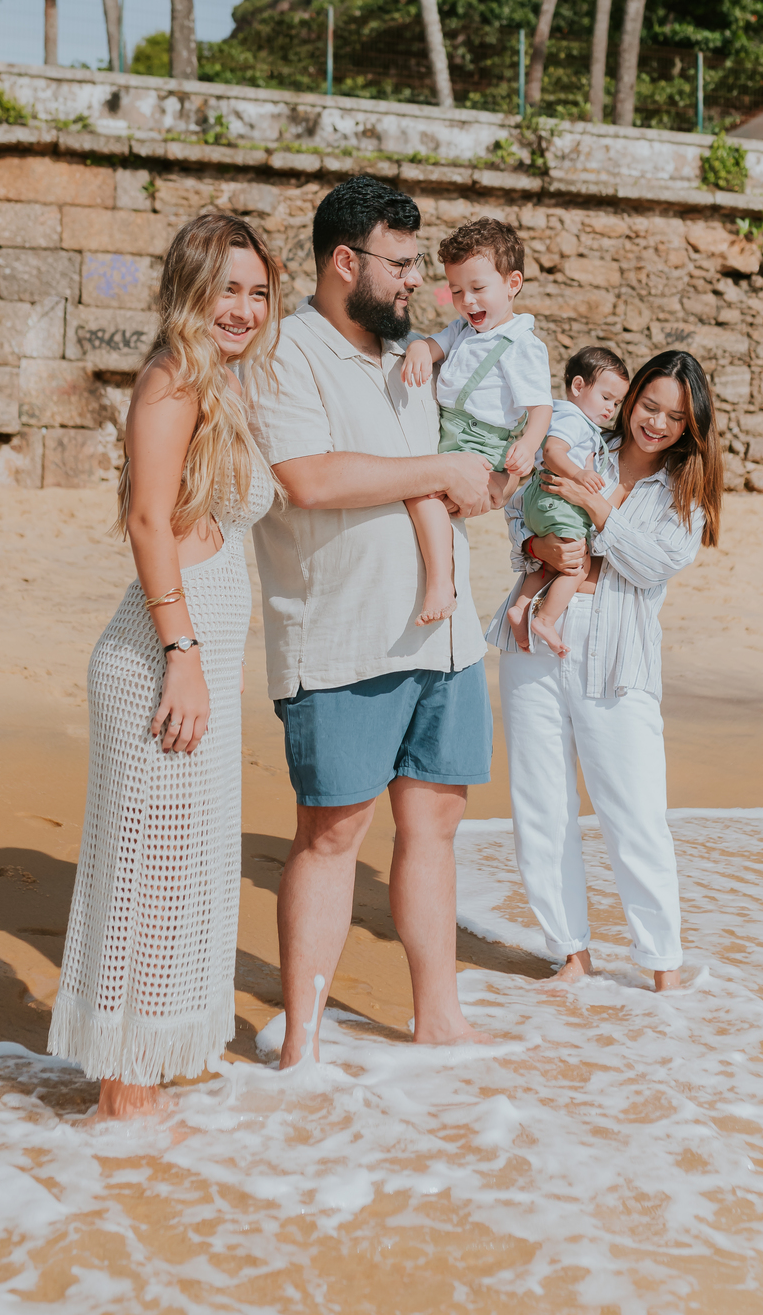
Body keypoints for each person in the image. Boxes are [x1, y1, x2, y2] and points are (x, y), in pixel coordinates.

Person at [249, 176, 515, 1068]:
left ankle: (438, 1018)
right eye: (401, 265)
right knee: (331, 836)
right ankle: (305, 1050)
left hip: (443, 638)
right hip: (343, 636)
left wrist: (469, 480)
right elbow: (311, 480)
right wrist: (439, 468)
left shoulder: (416, 359)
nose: (417, 283)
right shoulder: (286, 350)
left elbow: (427, 474)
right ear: (344, 262)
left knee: (435, 823)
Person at [48, 210, 281, 1119]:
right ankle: (124, 1102)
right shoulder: (176, 378)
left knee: (180, 875)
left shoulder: (219, 383)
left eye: (259, 291)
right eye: (228, 288)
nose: (245, 308)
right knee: (152, 877)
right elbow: (150, 522)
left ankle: (136, 1085)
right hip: (158, 663)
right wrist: (183, 654)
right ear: (190, 288)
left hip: (191, 664)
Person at [488, 349, 723, 992]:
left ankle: (662, 966)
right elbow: (519, 515)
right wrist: (538, 545)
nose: (657, 423)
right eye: (649, 405)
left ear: (691, 425)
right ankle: (570, 952)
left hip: (617, 657)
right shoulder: (581, 439)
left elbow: (652, 564)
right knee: (542, 803)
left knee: (635, 812)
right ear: (632, 396)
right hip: (536, 637)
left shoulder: (681, 490)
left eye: (676, 417)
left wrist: (595, 511)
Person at [401, 218, 553, 626]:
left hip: (483, 445)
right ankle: (436, 576)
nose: (467, 301)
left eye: (478, 289)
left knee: (424, 497)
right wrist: (420, 349)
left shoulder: (521, 345)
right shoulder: (464, 330)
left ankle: (441, 582)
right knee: (428, 501)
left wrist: (527, 445)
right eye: (455, 291)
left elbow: (540, 408)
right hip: (452, 434)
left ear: (512, 283)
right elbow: (436, 344)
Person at [505, 344, 630, 654]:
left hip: (539, 501)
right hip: (557, 500)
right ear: (578, 386)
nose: (610, 410)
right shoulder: (573, 418)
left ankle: (521, 607)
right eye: (605, 398)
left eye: (616, 403)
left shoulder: (561, 414)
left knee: (549, 562)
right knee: (577, 565)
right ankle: (545, 619)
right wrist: (579, 475)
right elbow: (552, 452)